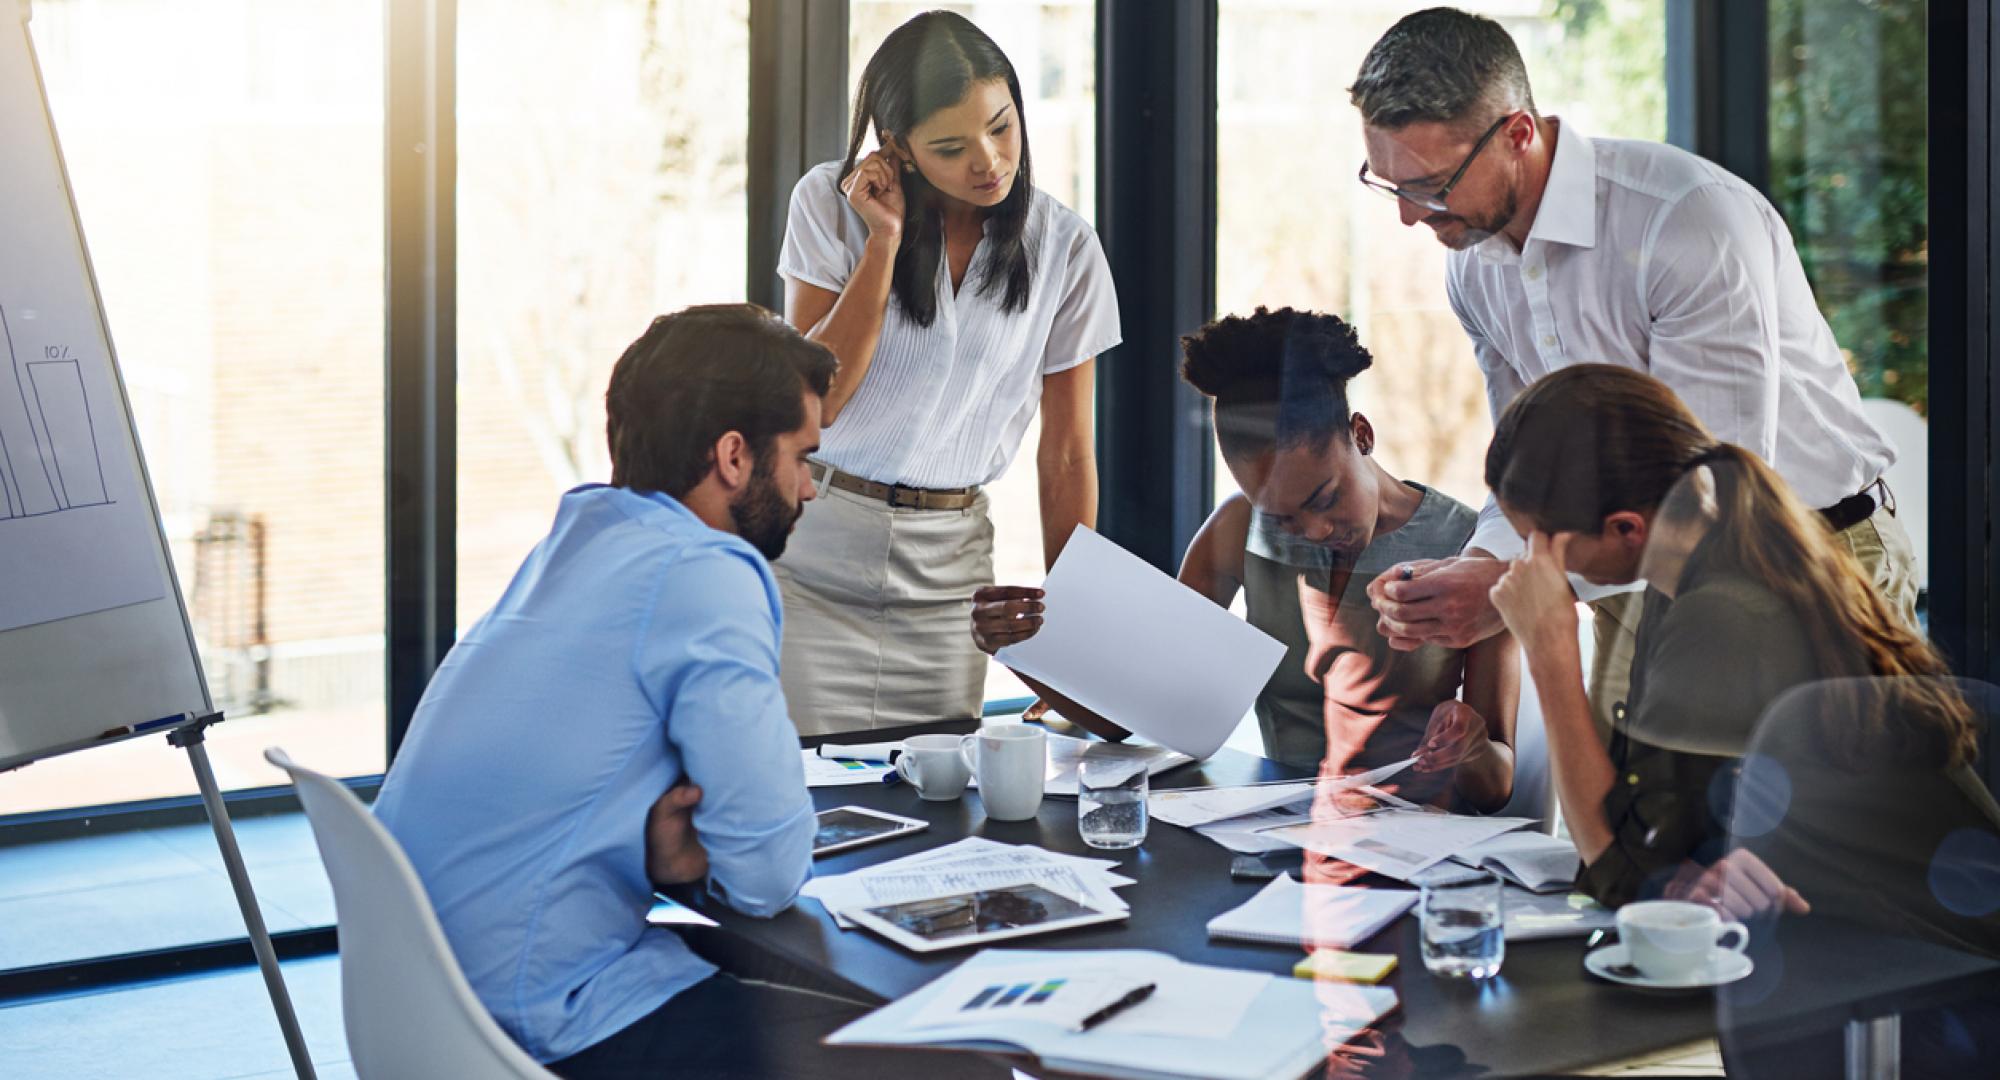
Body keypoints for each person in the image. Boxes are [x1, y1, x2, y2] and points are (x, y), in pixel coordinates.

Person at [374, 306, 995, 1079]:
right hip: (545, 1022)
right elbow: (768, 876)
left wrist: (673, 857)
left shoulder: (577, 542)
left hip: (420, 1011)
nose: (809, 488)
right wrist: (699, 858)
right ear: (734, 456)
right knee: (956, 1061)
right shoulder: (703, 571)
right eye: (803, 456)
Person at [1346, 7, 1913, 741]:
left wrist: (1520, 590)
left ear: (1519, 132)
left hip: (1802, 557)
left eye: (1430, 185)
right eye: (1388, 185)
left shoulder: (1685, 223)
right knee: (1622, 835)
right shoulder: (1474, 268)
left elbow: (1719, 491)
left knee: (1814, 841)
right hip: (1623, 573)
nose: (1409, 218)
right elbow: (1527, 476)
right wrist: (1477, 567)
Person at [1483, 364, 1996, 941]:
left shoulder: (1725, 612)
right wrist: (1665, 868)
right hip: (1850, 938)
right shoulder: (1691, 577)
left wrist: (1550, 649)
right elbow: (1647, 842)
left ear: (1627, 528)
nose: (1528, 564)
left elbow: (1620, 869)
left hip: (1927, 964)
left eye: (1536, 542)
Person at [973, 308, 1518, 811]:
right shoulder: (1237, 530)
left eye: (1324, 498)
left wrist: (1469, 744)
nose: (1314, 530)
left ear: (1361, 434)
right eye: (1280, 517)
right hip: (1267, 827)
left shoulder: (1473, 550)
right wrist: (1021, 649)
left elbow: (1495, 787)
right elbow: (1135, 715)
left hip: (1415, 843)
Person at [775, 10, 1120, 735]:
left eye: (1002, 126)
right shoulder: (827, 207)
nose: (989, 161)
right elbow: (819, 400)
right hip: (812, 561)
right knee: (808, 802)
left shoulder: (1066, 247)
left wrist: (1072, 639)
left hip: (950, 573)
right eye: (951, 146)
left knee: (939, 810)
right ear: (896, 147)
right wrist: (883, 242)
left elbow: (1066, 455)